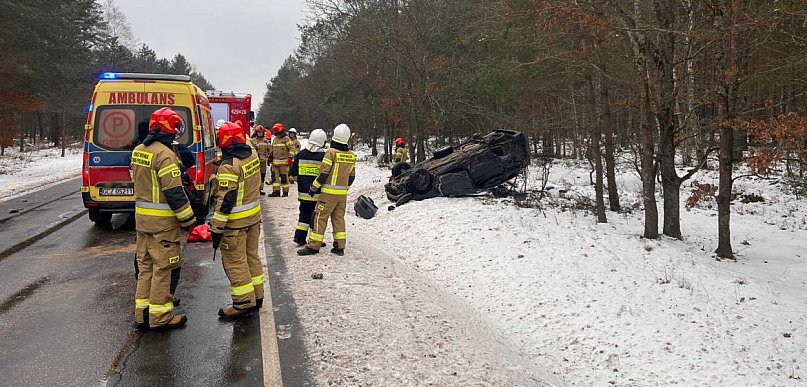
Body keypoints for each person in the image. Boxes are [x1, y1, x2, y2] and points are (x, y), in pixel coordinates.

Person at [131, 107, 195, 331]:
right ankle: (160, 318)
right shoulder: (165, 155)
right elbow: (174, 192)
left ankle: (143, 315)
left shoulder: (139, 150)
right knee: (163, 269)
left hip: (142, 222)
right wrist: (189, 221)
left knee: (145, 267)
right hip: (163, 225)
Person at [209, 121, 265, 318]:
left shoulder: (228, 167)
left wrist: (216, 228)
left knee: (235, 262)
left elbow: (226, 200)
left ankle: (242, 303)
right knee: (252, 257)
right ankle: (257, 296)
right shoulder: (252, 156)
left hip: (234, 225)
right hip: (252, 218)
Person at [298, 124, 355, 256]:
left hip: (328, 195)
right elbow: (351, 177)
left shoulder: (331, 153)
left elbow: (323, 174)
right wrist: (343, 188)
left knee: (319, 217)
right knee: (338, 219)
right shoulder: (351, 155)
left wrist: (314, 187)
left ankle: (313, 247)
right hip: (342, 196)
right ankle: (339, 247)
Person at [289, 129, 327, 246]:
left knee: (303, 215)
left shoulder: (301, 154)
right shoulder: (323, 156)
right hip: (317, 194)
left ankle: (299, 237)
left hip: (303, 194)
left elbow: (293, 172)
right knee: (314, 218)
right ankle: (314, 240)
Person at [268, 123, 296, 197]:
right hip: (275, 163)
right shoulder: (274, 139)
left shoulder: (286, 139)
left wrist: (290, 157)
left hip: (284, 163)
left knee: (284, 178)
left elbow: (292, 148)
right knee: (274, 178)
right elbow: (272, 149)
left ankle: (285, 192)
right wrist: (270, 158)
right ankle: (276, 191)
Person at [250, 125, 271, 195]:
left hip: (263, 162)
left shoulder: (266, 141)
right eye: (259, 132)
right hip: (254, 162)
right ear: (256, 132)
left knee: (262, 176)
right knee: (255, 176)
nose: (260, 133)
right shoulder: (252, 141)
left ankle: (260, 189)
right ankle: (255, 190)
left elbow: (269, 150)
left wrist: (269, 158)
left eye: (261, 132)